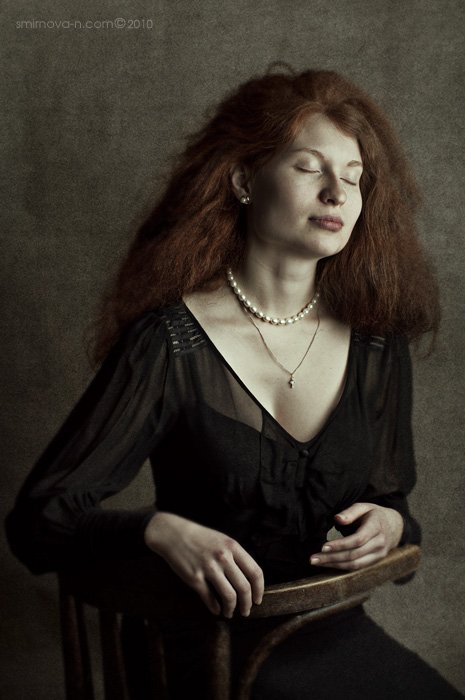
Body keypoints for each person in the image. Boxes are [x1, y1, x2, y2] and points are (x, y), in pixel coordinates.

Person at [6, 66, 463, 699]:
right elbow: (38, 520)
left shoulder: (376, 345)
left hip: (324, 633)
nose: (337, 193)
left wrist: (389, 523)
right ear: (246, 181)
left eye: (354, 177)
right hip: (200, 649)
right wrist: (158, 529)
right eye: (309, 167)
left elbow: (393, 506)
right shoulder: (170, 343)